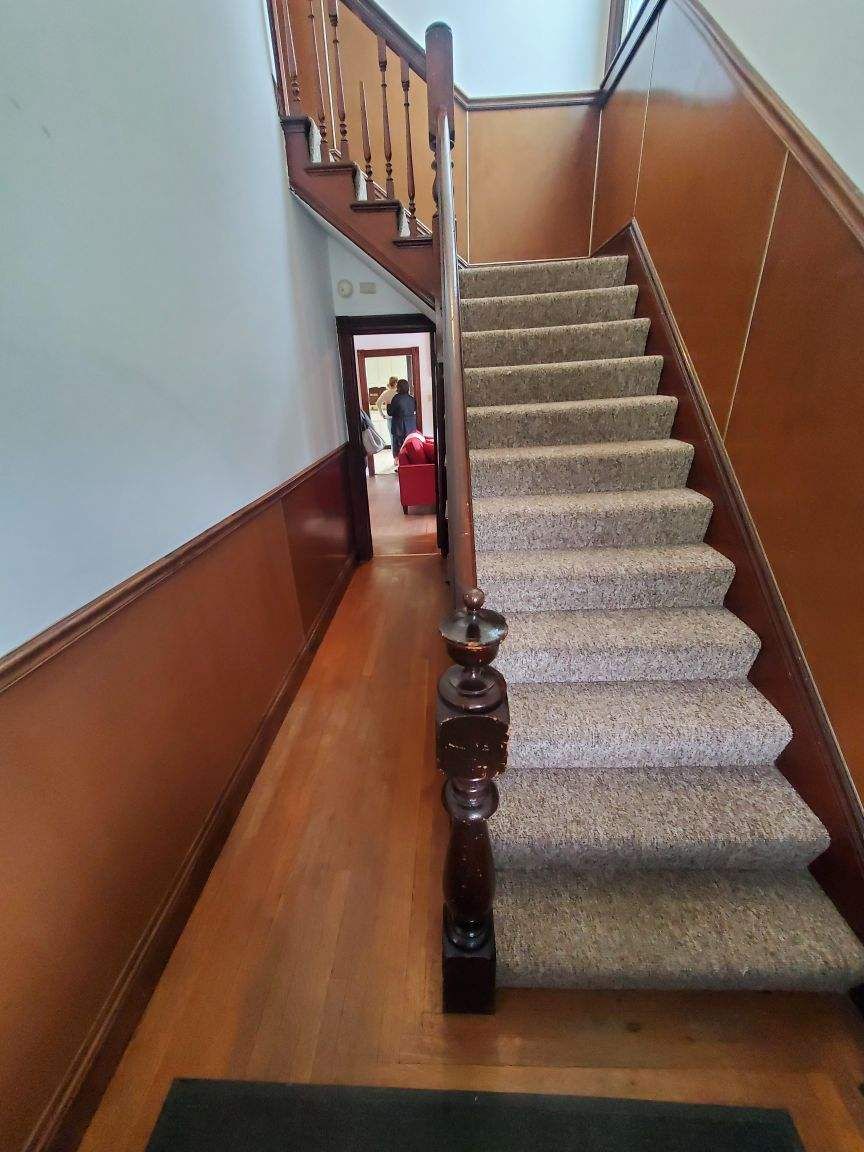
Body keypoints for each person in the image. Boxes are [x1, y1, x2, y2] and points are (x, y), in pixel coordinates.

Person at [387, 378, 417, 464]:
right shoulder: (411, 398)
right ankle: (409, 462)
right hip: (411, 425)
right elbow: (414, 409)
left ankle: (399, 463)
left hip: (398, 425)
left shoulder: (396, 398)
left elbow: (390, 412)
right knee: (409, 444)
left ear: (398, 387)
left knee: (398, 445)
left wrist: (388, 405)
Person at [376, 376, 398, 445]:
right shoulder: (398, 392)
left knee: (392, 437)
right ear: (396, 383)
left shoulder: (386, 393)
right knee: (401, 437)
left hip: (390, 417)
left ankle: (394, 452)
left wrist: (382, 414)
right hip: (399, 417)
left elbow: (378, 403)